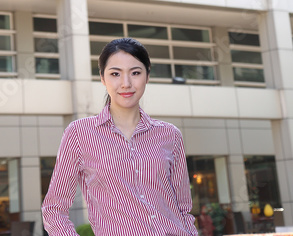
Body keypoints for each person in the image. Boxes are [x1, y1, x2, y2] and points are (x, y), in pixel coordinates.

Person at [42, 38, 198, 236]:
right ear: (102, 77)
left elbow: (183, 209)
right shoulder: (79, 134)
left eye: (135, 73)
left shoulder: (170, 135)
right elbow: (54, 209)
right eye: (115, 74)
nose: (126, 83)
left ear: (147, 76)